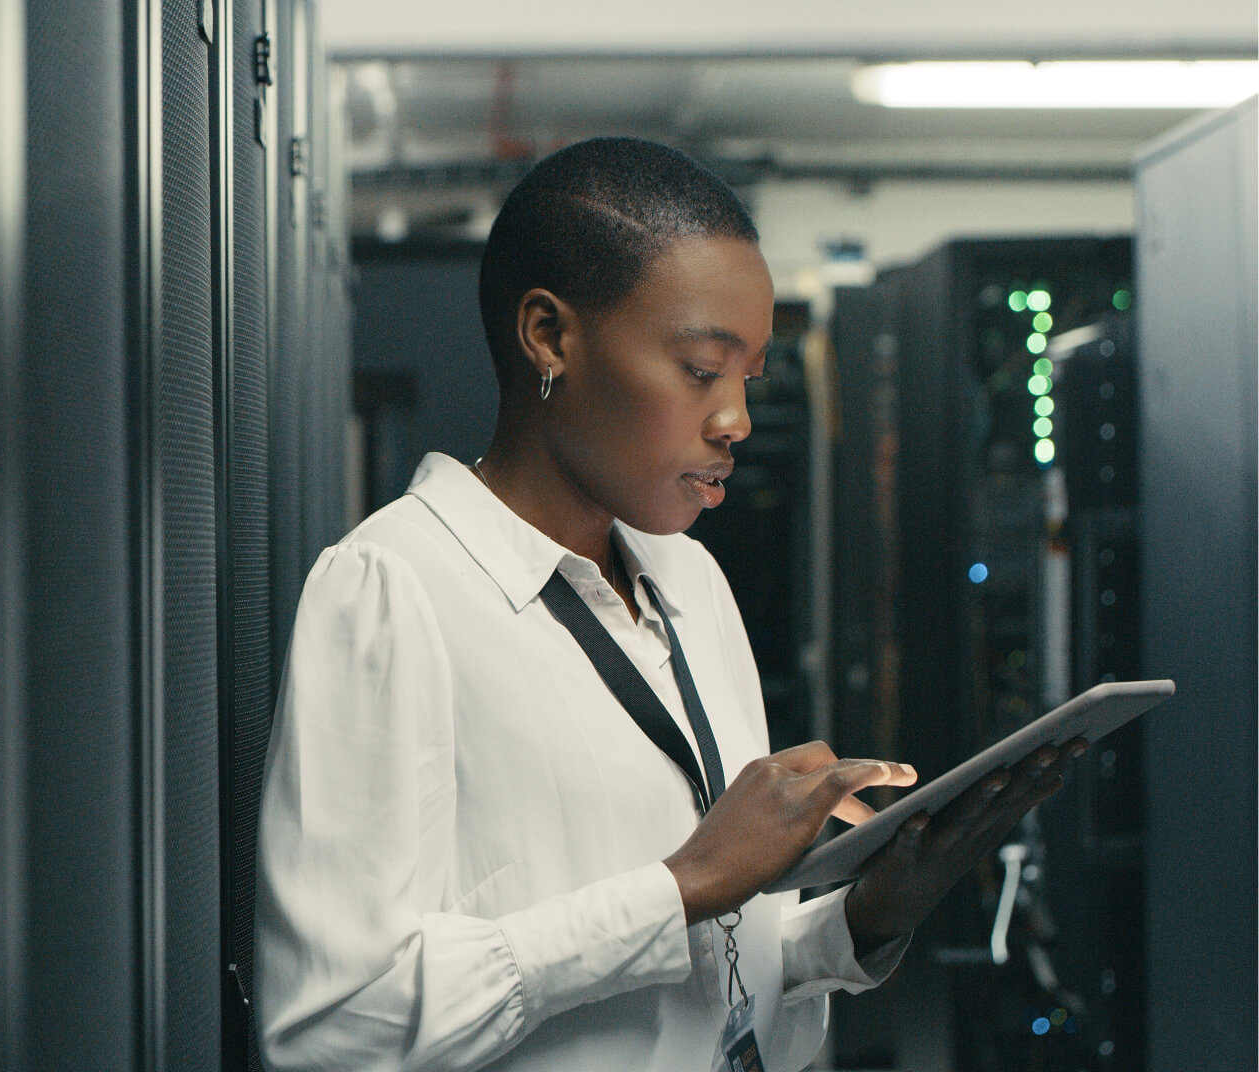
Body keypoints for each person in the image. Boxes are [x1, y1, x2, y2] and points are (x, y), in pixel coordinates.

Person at [253, 137, 1083, 1072]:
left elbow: (713, 976)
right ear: (549, 337)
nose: (736, 419)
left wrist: (860, 919)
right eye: (700, 370)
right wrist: (681, 887)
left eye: (750, 378)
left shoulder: (687, 578)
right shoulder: (394, 589)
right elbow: (328, 1028)